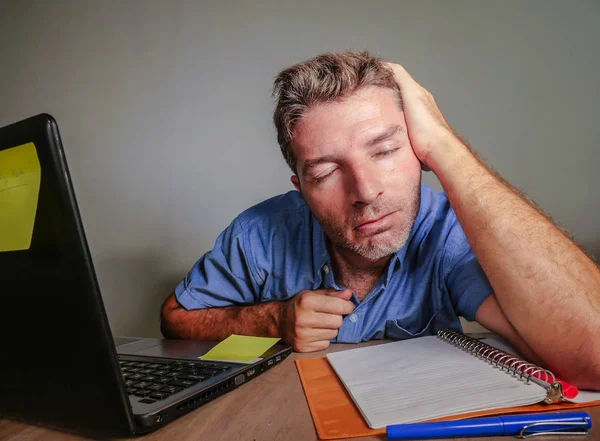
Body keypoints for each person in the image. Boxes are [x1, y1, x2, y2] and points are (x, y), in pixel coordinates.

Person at [160, 51, 600, 389]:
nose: (366, 192)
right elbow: (175, 320)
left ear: (417, 150)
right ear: (301, 188)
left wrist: (447, 149)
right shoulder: (261, 232)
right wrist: (272, 321)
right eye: (326, 173)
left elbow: (592, 354)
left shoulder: (448, 233)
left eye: (386, 151)